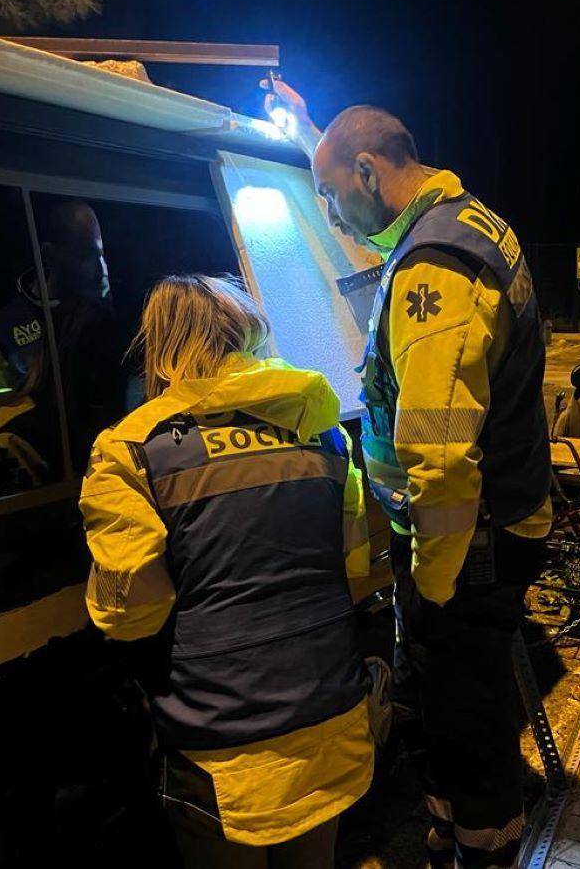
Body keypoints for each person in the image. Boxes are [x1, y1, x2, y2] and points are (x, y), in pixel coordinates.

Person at [265, 79, 552, 869]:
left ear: (367, 171)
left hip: (470, 537)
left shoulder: (435, 266)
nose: (327, 216)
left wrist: (433, 581)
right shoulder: (458, 222)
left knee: (465, 708)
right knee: (462, 696)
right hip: (488, 524)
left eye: (328, 193)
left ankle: (485, 847)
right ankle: (454, 827)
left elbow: (441, 449)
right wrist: (307, 133)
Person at [79, 275, 374, 867]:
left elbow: (129, 611)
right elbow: (357, 565)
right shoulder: (321, 430)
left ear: (161, 347)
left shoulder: (131, 449)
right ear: (249, 334)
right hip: (330, 713)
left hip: (221, 743)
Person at [0, 200, 124, 500]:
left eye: (102, 255)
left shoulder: (104, 320)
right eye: (86, 256)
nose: (101, 270)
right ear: (49, 254)